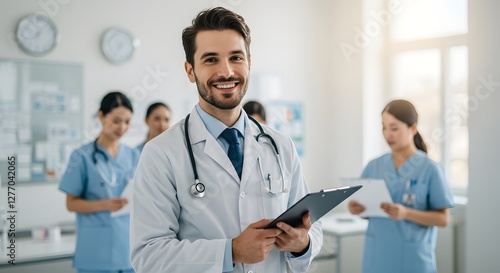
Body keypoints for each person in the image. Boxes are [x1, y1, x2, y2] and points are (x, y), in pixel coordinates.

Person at [130, 7, 322, 273]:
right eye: (211, 60)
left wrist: (302, 243)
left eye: (236, 57)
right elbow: (148, 256)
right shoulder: (161, 153)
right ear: (190, 70)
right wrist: (230, 252)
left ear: (249, 63)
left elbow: (311, 227)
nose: (227, 72)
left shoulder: (280, 146)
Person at [348, 99, 454, 273]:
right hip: (377, 259)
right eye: (384, 127)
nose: (388, 134)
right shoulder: (374, 166)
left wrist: (406, 213)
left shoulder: (430, 169)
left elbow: (443, 219)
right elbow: (368, 213)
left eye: (394, 128)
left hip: (412, 260)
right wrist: (357, 209)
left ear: (413, 128)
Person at [59, 91, 139, 273]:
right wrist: (104, 204)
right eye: (116, 121)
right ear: (101, 116)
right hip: (96, 252)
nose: (122, 127)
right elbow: (71, 204)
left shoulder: (133, 155)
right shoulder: (81, 156)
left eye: (127, 122)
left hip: (129, 251)